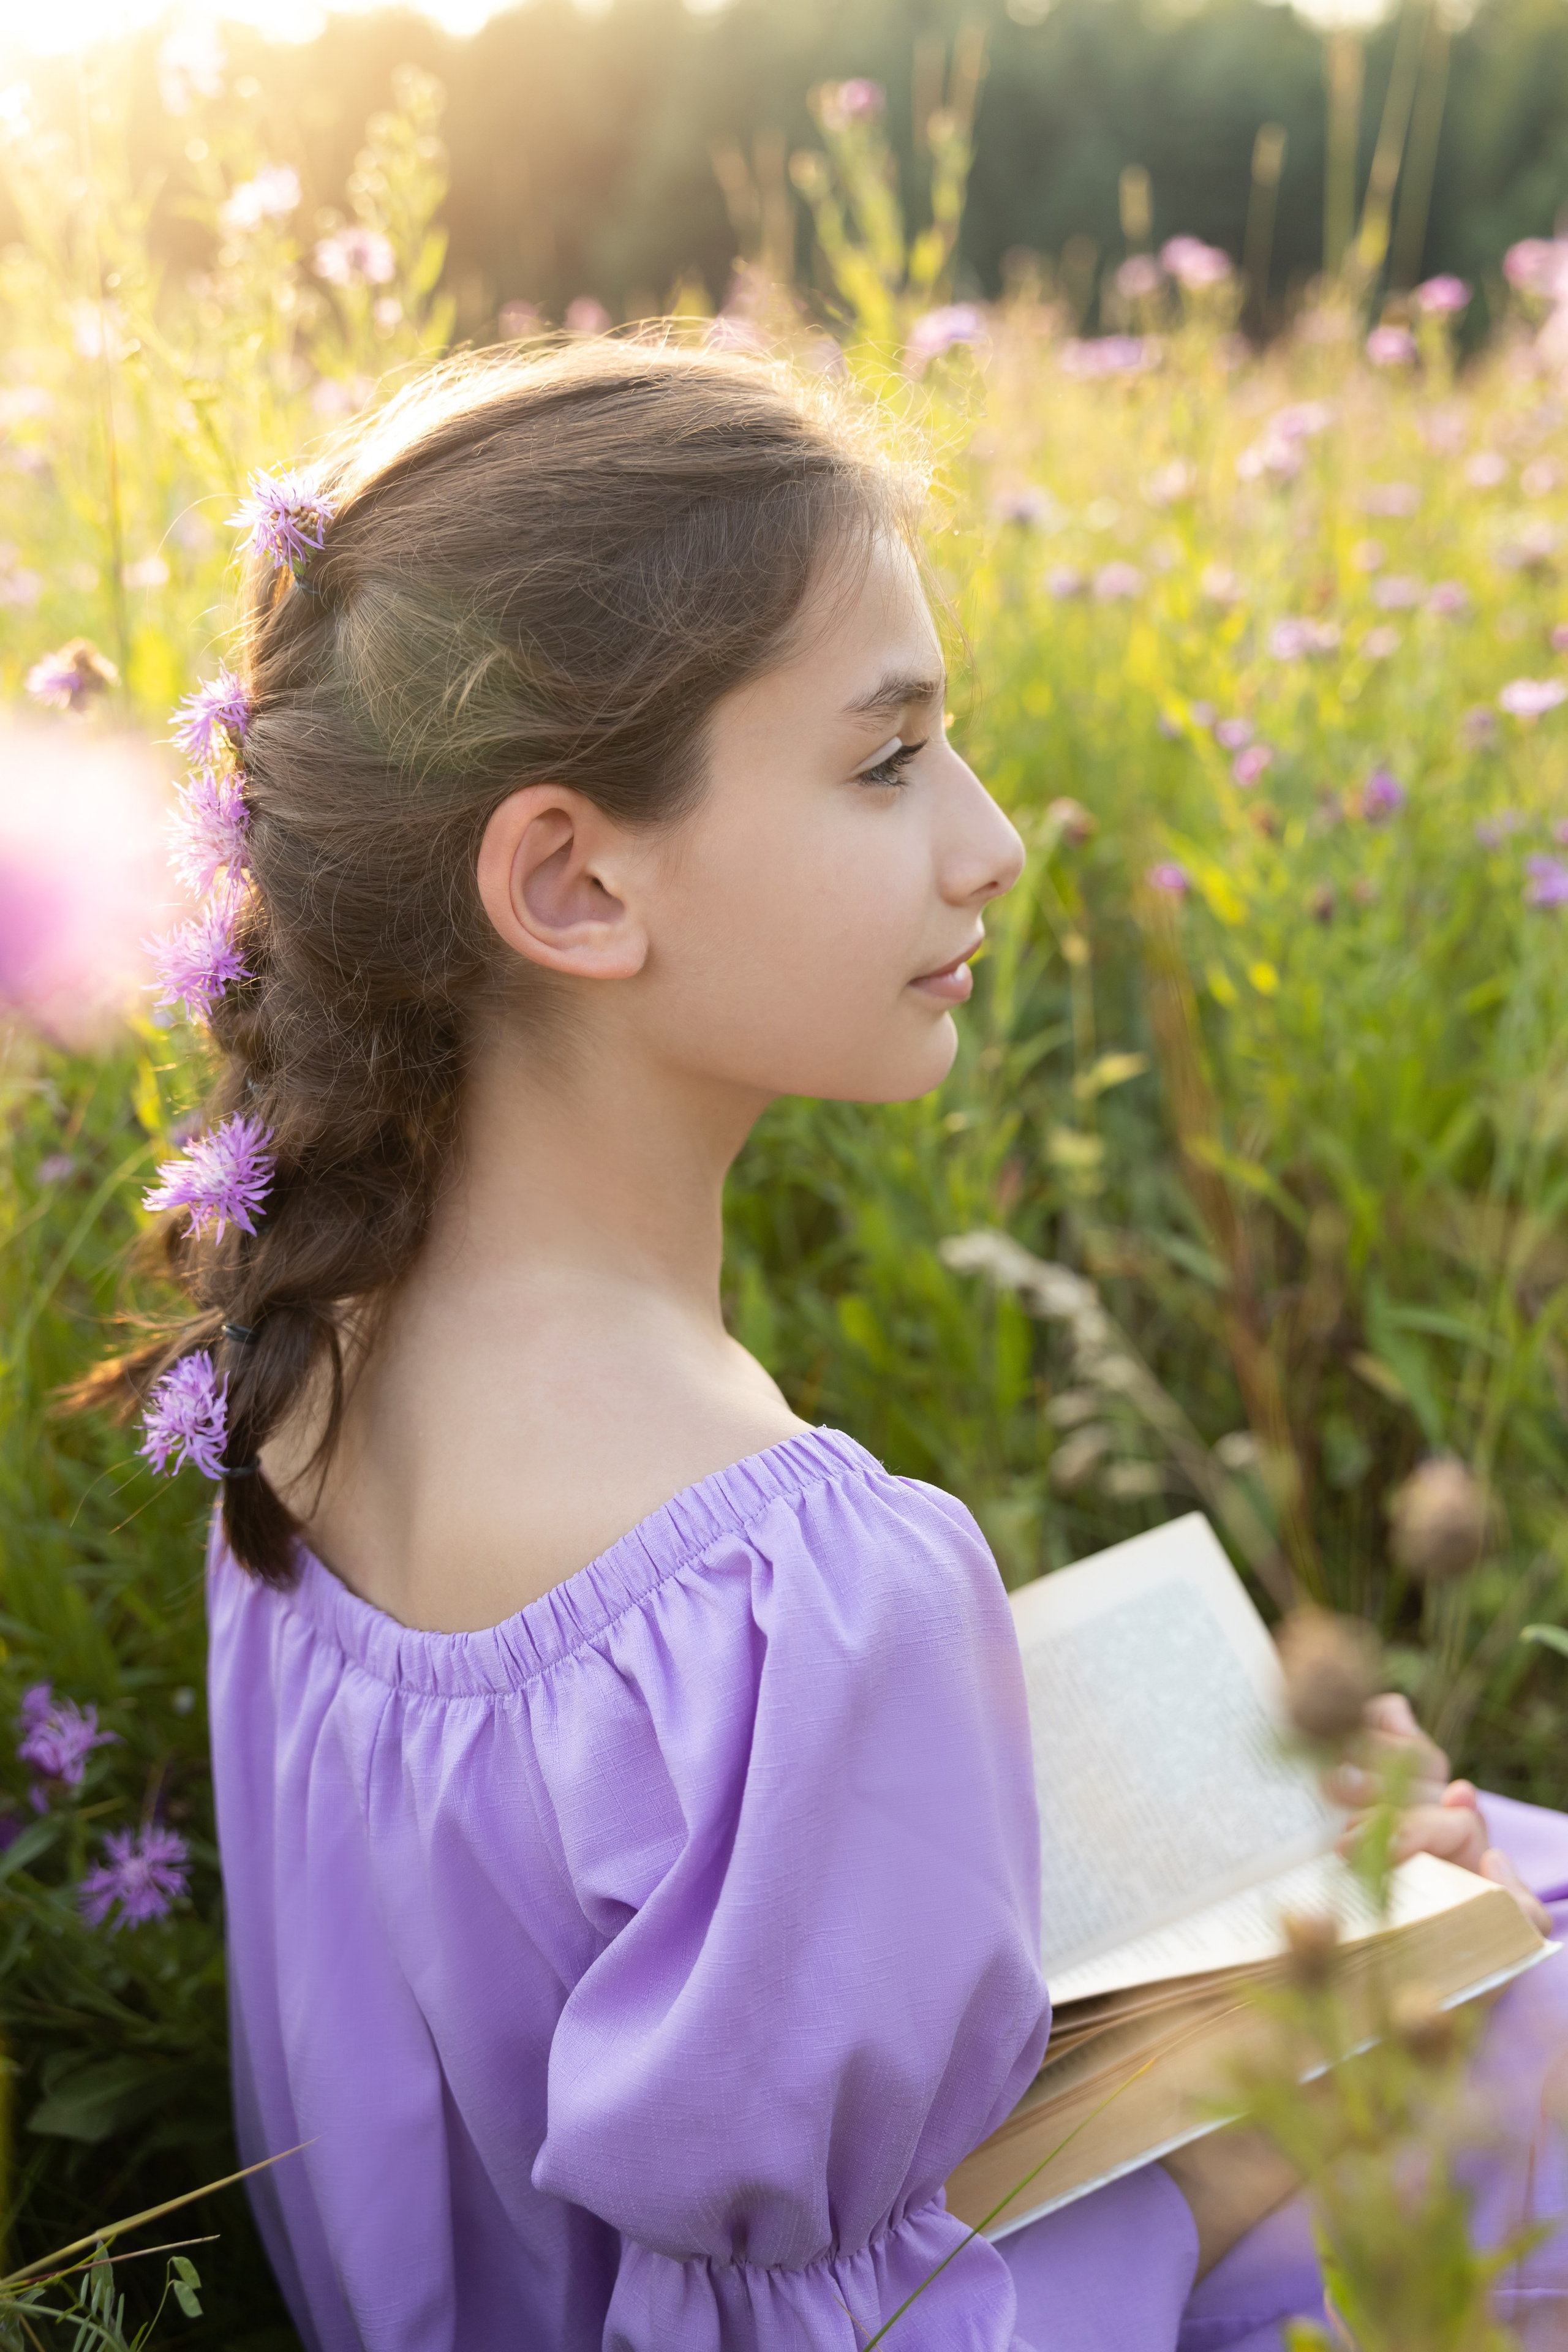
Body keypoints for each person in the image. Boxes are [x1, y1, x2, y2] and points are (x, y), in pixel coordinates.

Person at [104, 341, 1568, 2350]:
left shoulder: (303, 1358)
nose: (988, 842)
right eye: (886, 762)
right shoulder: (786, 1571)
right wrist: (1281, 2084)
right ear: (573, 879)